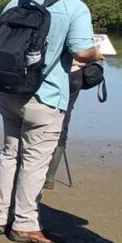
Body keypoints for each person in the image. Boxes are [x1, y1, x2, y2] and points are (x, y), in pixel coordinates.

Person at [0, 0, 103, 243]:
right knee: (34, 162)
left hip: (9, 91)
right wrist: (97, 52)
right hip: (46, 95)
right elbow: (81, 52)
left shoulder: (14, 2)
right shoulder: (73, 6)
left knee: (9, 154)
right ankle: (24, 224)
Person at [43, 60, 84, 189]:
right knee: (63, 121)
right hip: (74, 73)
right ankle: (49, 178)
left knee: (32, 119)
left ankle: (26, 171)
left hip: (49, 71)